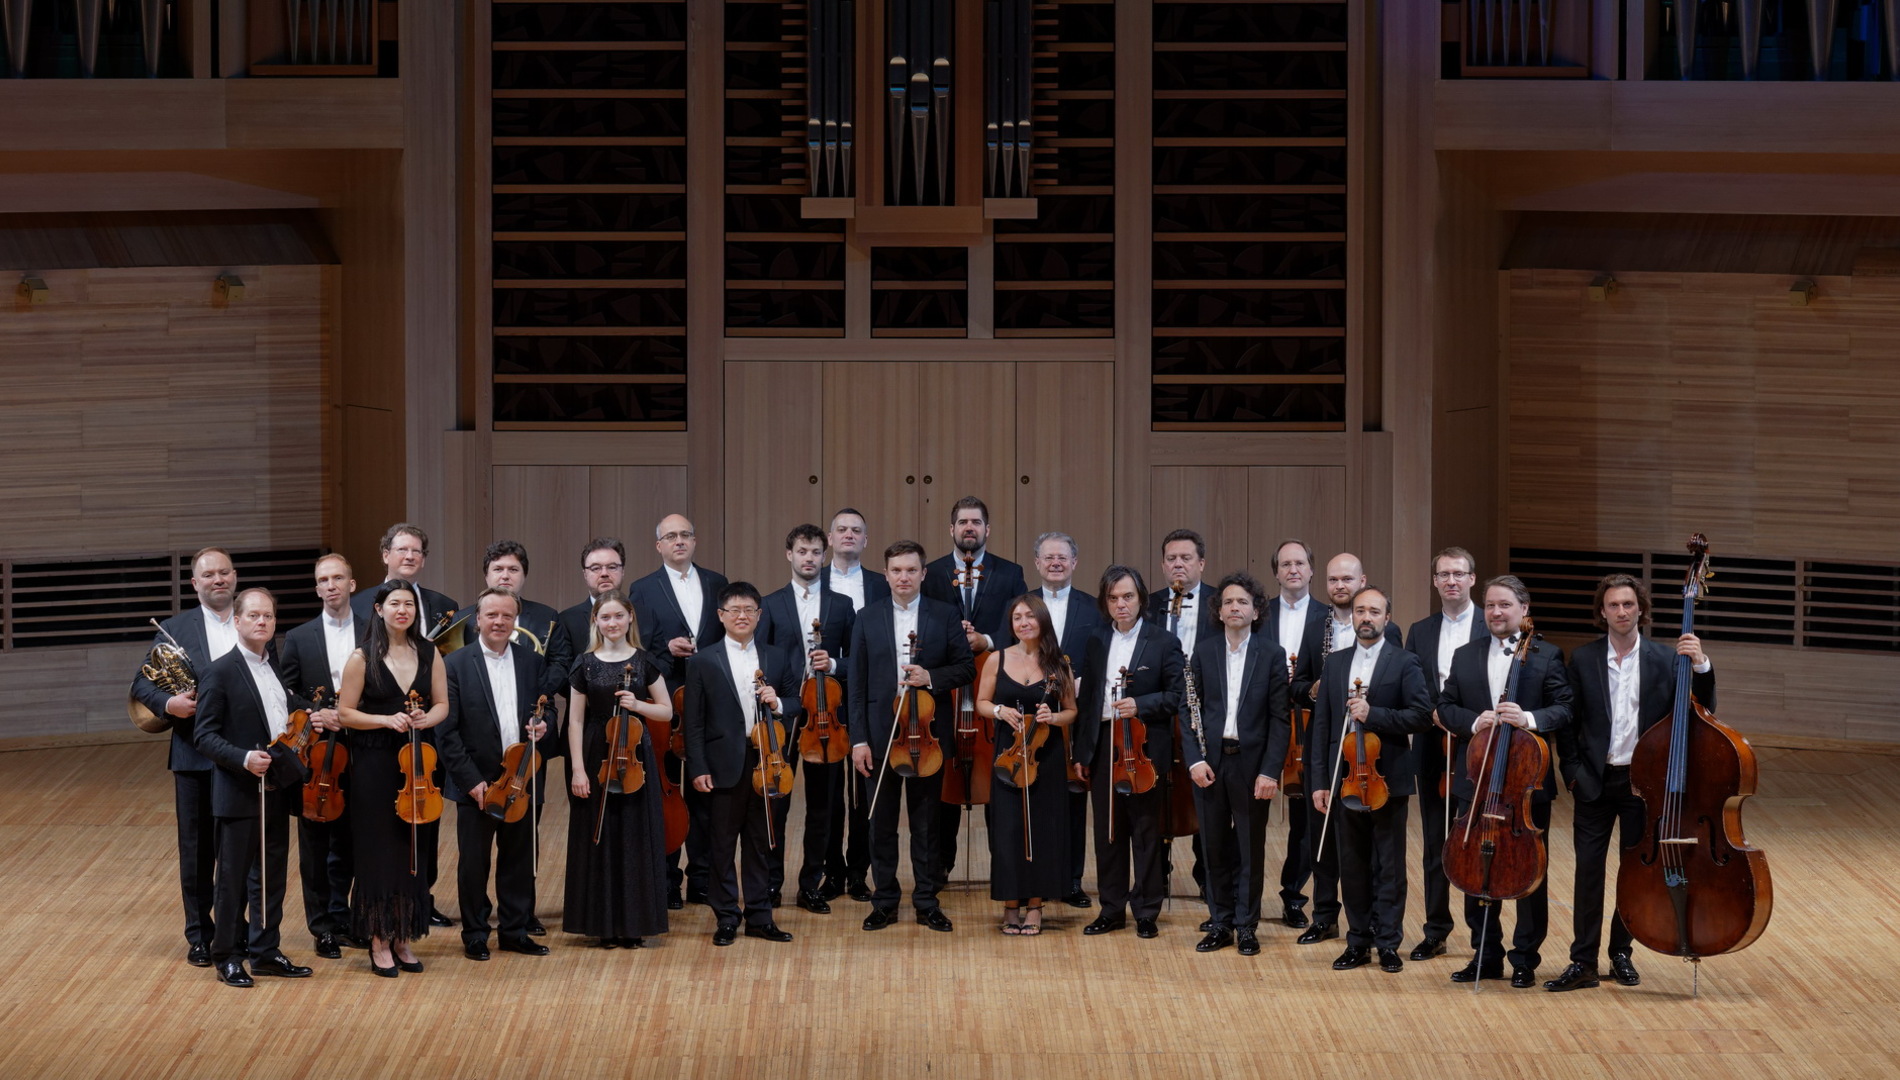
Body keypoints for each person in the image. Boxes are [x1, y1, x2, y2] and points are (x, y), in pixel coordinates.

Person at [1546, 573, 1714, 992]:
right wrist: (1572, 772)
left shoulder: (1665, 659)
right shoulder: (1583, 659)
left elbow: (1702, 712)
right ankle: (1583, 961)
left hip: (1643, 786)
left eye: (1628, 604)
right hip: (1594, 782)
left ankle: (1621, 953)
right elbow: (1568, 721)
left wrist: (1701, 666)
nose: (1621, 611)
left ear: (1641, 610)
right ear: (1602, 612)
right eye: (1613, 605)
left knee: (1632, 873)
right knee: (1588, 872)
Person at [1438, 575, 1574, 987]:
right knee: (1473, 866)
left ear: (1524, 609)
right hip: (1478, 780)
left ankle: (1525, 959)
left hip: (1524, 784)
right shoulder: (1465, 655)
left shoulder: (1547, 655)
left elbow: (1565, 708)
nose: (1496, 612)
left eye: (1505, 605)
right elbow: (1445, 706)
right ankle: (1485, 954)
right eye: (1491, 606)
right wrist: (1473, 721)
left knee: (1529, 870)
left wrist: (1529, 718)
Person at [193, 587, 320, 987]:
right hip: (239, 792)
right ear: (237, 621)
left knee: (270, 877)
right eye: (253, 616)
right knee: (232, 880)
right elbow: (204, 736)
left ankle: (265, 951)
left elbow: (280, 710)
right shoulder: (219, 671)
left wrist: (310, 713)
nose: (262, 622)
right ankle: (227, 956)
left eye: (268, 616)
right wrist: (244, 758)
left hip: (276, 789)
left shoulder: (272, 666)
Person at [848, 540, 975, 933]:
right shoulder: (866, 618)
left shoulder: (944, 614)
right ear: (886, 575)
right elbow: (856, 685)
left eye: (911, 570)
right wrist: (859, 740)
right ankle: (884, 900)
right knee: (880, 824)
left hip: (928, 737)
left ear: (923, 573)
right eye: (896, 570)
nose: (903, 577)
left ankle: (926, 901)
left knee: (927, 824)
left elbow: (966, 668)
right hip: (880, 738)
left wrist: (930, 677)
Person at [1307, 586, 1432, 974]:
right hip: (1344, 779)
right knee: (1352, 864)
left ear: (1386, 618)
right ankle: (1357, 941)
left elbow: (1420, 715)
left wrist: (1372, 714)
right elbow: (1322, 726)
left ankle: (1388, 943)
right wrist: (1320, 781)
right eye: (1360, 611)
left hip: (1386, 779)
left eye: (1374, 611)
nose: (1366, 617)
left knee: (1389, 866)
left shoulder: (1405, 662)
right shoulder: (1335, 663)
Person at [130, 546, 240, 967]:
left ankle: (236, 931)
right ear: (195, 583)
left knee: (238, 851)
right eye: (209, 575)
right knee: (196, 851)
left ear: (234, 576)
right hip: (193, 755)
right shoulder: (175, 628)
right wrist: (169, 704)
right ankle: (199, 935)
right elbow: (141, 686)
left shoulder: (252, 619)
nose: (218, 580)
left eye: (224, 572)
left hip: (241, 754)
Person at [337, 580, 450, 977]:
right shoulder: (361, 657)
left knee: (411, 848)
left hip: (417, 761)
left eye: (409, 604)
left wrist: (425, 718)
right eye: (395, 603)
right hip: (375, 763)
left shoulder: (429, 651)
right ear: (379, 609)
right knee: (378, 850)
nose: (403, 610)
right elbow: (345, 713)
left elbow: (442, 704)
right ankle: (378, 939)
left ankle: (402, 935)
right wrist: (385, 720)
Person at [684, 582, 804, 946]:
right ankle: (726, 916)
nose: (742, 616)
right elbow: (694, 722)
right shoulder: (703, 660)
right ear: (721, 616)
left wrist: (777, 702)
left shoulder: (776, 656)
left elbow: (796, 703)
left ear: (759, 615)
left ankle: (760, 916)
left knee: (761, 842)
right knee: (721, 845)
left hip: (767, 761)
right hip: (723, 764)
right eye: (734, 610)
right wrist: (698, 767)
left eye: (749, 610)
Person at [438, 588, 552, 962]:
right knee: (474, 863)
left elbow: (547, 708)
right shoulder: (455, 664)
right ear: (477, 620)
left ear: (515, 620)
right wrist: (472, 782)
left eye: (506, 615)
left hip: (521, 780)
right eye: (491, 615)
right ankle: (475, 933)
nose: (499, 622)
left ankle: (515, 931)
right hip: (477, 782)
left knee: (519, 859)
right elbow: (447, 732)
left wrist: (545, 725)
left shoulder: (532, 662)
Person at [1296, 551, 1403, 946]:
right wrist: (1316, 690)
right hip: (1331, 750)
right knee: (1328, 844)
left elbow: (1400, 692)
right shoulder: (1318, 633)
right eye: (1333, 579)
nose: (1339, 585)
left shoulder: (1391, 636)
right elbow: (1299, 690)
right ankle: (1329, 919)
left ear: (1362, 582)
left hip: (1372, 757)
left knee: (1373, 852)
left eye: (1347, 579)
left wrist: (1372, 712)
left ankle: (1377, 928)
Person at [1181, 572, 1289, 956]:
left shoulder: (1272, 654)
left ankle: (1246, 925)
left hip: (1251, 766)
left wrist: (1270, 771)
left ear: (1256, 611)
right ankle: (1221, 922)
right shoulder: (1203, 652)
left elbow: (1280, 719)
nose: (1234, 607)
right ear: (1219, 610)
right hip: (1210, 765)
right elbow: (1188, 711)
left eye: (1243, 601)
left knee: (1249, 850)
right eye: (1227, 601)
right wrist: (1194, 760)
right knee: (1213, 849)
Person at [1074, 566, 1184, 939]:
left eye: (1128, 597)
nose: (1121, 604)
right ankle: (1111, 909)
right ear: (1105, 602)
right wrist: (1082, 752)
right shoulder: (1096, 639)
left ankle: (1147, 910)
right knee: (1109, 830)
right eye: (1113, 598)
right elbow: (1089, 699)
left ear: (1141, 599)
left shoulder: (1163, 641)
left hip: (1143, 745)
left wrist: (1141, 704)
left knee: (1146, 830)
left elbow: (1176, 696)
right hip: (1105, 741)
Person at [922, 497, 1026, 880]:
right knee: (943, 773)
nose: (970, 528)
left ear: (987, 529)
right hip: (946, 691)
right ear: (951, 529)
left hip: (993, 685)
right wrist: (953, 640)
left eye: (976, 522)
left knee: (997, 777)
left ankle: (1004, 869)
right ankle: (938, 867)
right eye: (963, 522)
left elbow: (1022, 624)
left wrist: (986, 640)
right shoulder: (932, 574)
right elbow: (922, 622)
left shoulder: (1010, 573)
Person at [627, 513, 726, 907]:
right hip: (664, 702)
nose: (679, 541)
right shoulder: (642, 588)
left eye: (685, 534)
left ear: (695, 541)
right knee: (665, 792)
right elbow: (638, 648)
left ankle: (702, 878)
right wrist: (666, 650)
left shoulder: (717, 583)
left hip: (709, 701)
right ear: (659, 546)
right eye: (671, 536)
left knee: (705, 793)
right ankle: (667, 879)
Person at [758, 524, 857, 914]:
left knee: (822, 805)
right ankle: (771, 883)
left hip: (824, 718)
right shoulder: (771, 604)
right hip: (783, 715)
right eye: (802, 551)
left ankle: (810, 885)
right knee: (776, 801)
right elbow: (760, 659)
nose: (809, 558)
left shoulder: (841, 605)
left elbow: (856, 661)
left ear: (824, 555)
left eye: (816, 552)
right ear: (789, 555)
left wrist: (833, 664)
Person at [565, 595, 672, 949]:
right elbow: (575, 720)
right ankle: (603, 925)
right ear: (595, 621)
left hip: (635, 756)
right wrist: (578, 770)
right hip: (598, 752)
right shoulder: (584, 664)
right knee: (600, 837)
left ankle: (634, 925)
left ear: (630, 618)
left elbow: (667, 711)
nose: (612, 623)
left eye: (619, 616)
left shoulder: (644, 661)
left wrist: (638, 704)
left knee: (634, 836)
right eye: (605, 617)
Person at [1400, 546, 1485, 962]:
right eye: (1444, 574)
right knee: (1435, 842)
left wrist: (1460, 719)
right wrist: (1436, 713)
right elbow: (1413, 684)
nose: (1452, 580)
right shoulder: (1420, 630)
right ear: (1435, 582)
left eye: (1459, 573)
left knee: (1472, 840)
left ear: (1472, 579)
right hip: (1433, 745)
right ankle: (1436, 930)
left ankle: (1480, 936)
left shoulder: (1490, 623)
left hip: (1477, 747)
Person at [976, 595, 1079, 936]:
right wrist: (999, 711)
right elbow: (982, 702)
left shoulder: (1058, 664)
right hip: (1008, 755)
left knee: (1043, 830)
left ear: (1042, 621)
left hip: (1045, 756)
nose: (1023, 622)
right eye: (1017, 617)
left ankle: (1035, 906)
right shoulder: (997, 658)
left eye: (1030, 616)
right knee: (1008, 831)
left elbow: (1071, 711)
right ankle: (1010, 904)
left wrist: (1054, 717)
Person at [277, 553, 363, 959]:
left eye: (338, 578)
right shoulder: (298, 637)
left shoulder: (373, 630)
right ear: (317, 588)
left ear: (352, 584)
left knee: (352, 838)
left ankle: (345, 917)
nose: (331, 585)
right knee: (315, 842)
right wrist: (317, 713)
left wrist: (352, 714)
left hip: (362, 748)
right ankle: (322, 926)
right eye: (323, 580)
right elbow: (286, 692)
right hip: (315, 752)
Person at [1023, 532, 1100, 908]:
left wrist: (1084, 682)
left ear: (1074, 563)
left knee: (1073, 796)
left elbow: (1101, 656)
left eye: (1063, 558)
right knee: (1034, 795)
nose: (1056, 563)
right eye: (1048, 557)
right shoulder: (1022, 606)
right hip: (1031, 714)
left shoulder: (1093, 607)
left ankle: (1071, 880)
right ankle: (1035, 878)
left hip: (1075, 715)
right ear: (1037, 563)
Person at [820, 508, 888, 901]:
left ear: (865, 540)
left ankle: (859, 872)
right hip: (824, 703)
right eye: (842, 529)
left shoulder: (881, 584)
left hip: (870, 698)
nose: (849, 535)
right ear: (830, 539)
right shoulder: (814, 582)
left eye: (856, 530)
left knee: (864, 791)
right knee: (830, 794)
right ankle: (832, 872)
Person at [1260, 538, 1325, 929]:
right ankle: (1239, 897)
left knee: (1304, 817)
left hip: (1306, 724)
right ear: (1276, 572)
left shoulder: (1328, 616)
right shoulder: (1259, 613)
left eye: (1300, 563)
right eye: (1285, 564)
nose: (1293, 570)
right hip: (1262, 722)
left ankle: (1294, 897)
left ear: (1311, 569)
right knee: (1249, 812)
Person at [349, 523, 460, 643]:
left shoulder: (445, 606)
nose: (409, 556)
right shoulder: (357, 604)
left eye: (416, 551)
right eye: (402, 550)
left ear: (423, 560)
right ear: (386, 556)